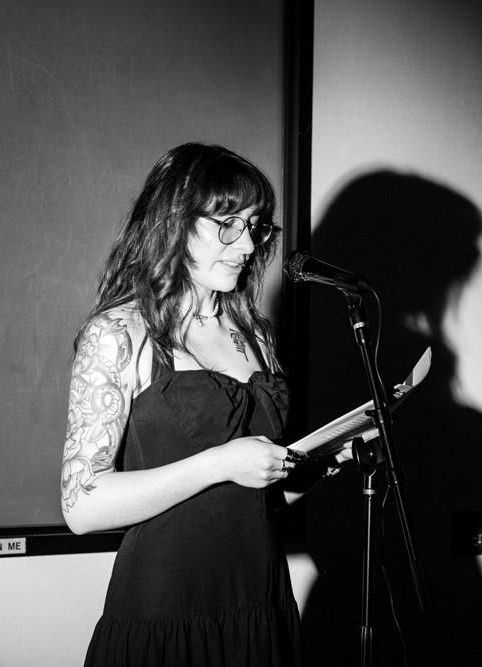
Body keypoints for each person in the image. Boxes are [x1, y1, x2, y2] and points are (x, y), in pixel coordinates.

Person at [61, 143, 347, 666]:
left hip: (259, 599)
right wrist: (219, 463)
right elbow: (81, 507)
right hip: (166, 609)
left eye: (255, 226)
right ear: (175, 222)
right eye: (228, 224)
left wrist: (320, 463)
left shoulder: (255, 333)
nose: (248, 244)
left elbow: (256, 500)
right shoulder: (119, 334)